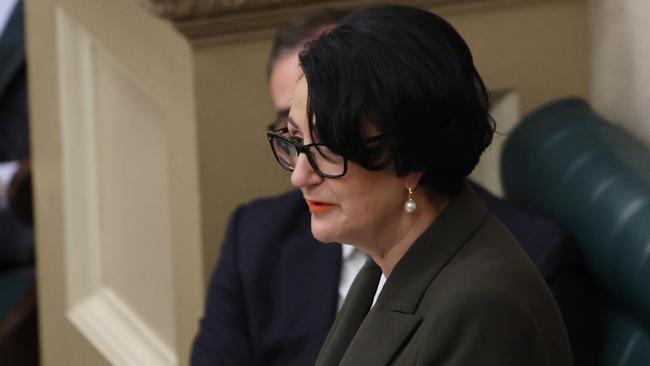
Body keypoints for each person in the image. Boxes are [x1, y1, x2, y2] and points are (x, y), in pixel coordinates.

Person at [191, 7, 597, 366]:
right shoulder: (388, 262)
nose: (300, 175)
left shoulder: (483, 307)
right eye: (295, 142)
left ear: (411, 160)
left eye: (329, 151)